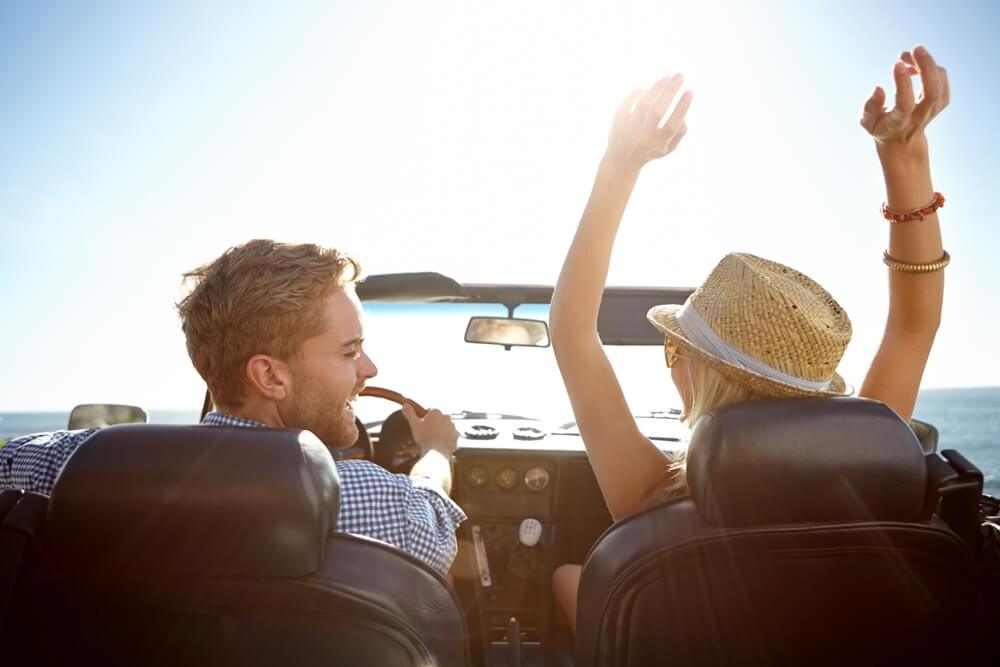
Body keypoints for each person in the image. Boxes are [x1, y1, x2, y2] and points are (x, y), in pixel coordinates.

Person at [548, 45, 949, 632]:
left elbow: (570, 331)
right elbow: (915, 326)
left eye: (674, 349)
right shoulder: (872, 472)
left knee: (566, 578)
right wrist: (905, 160)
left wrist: (620, 163)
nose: (670, 364)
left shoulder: (652, 499)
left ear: (695, 371)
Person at [0, 240, 466, 575]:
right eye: (350, 351)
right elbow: (432, 511)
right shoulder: (376, 500)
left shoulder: (78, 467)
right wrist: (437, 452)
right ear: (270, 377)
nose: (370, 368)